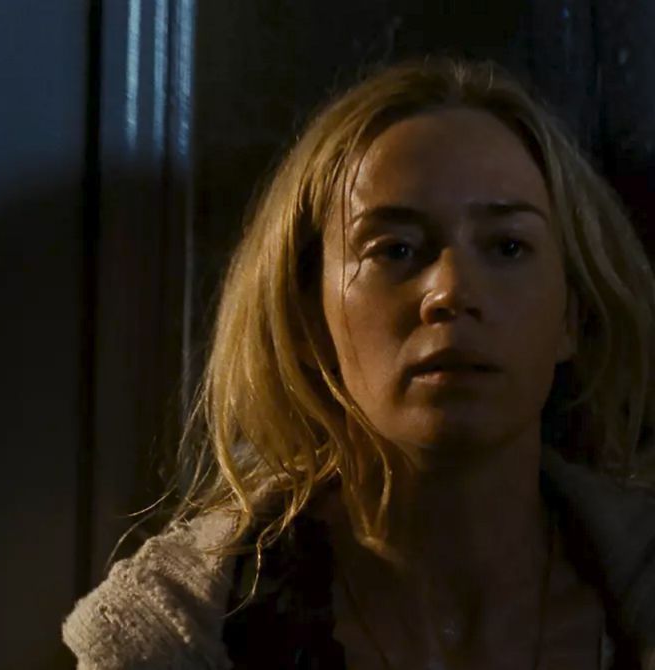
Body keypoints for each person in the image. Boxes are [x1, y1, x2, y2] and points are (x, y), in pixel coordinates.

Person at [62, 57, 655, 669]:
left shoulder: (632, 598)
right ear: (307, 319)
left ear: (571, 316)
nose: (451, 290)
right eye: (394, 249)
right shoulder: (180, 634)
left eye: (508, 246)